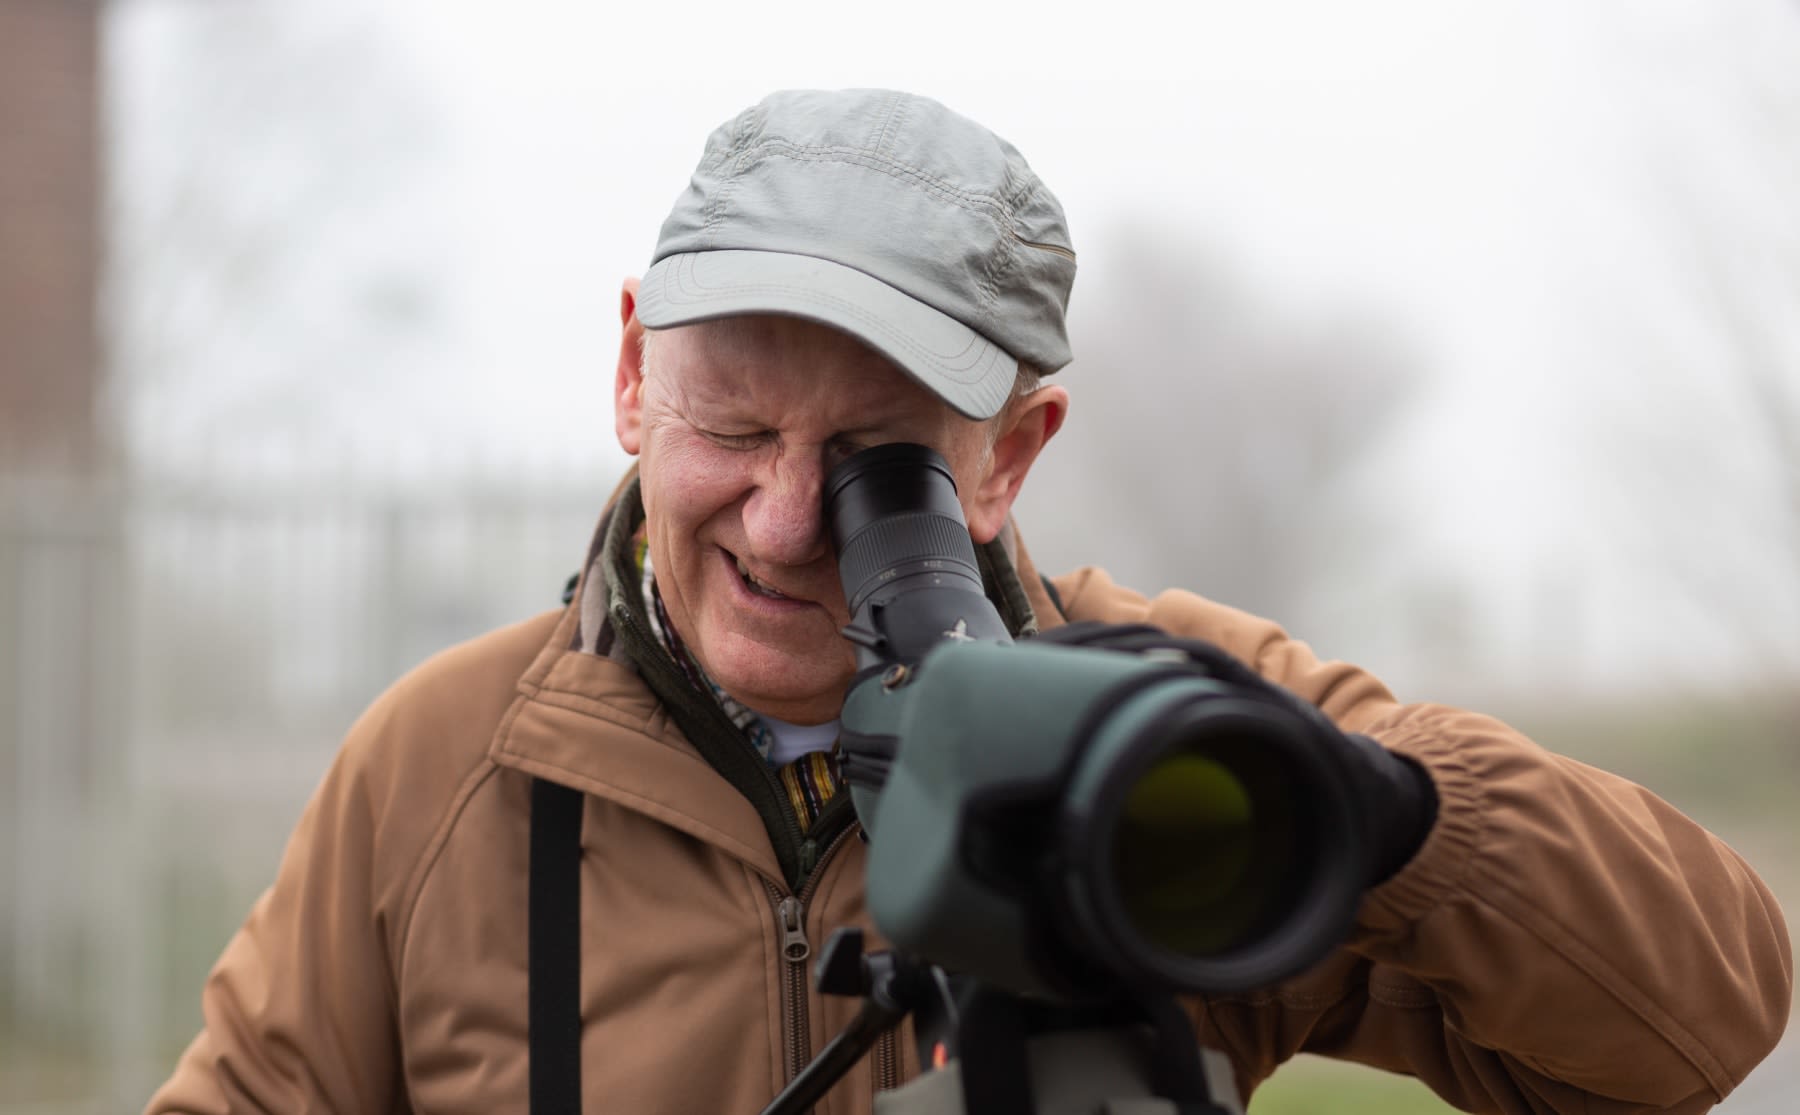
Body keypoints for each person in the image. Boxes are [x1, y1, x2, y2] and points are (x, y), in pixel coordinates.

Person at [147, 88, 1790, 1115]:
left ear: (1011, 454)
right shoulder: (445, 772)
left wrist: (1393, 811)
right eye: (731, 428)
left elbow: (1704, 1033)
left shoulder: (1154, 722)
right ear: (635, 374)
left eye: (875, 462)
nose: (787, 520)